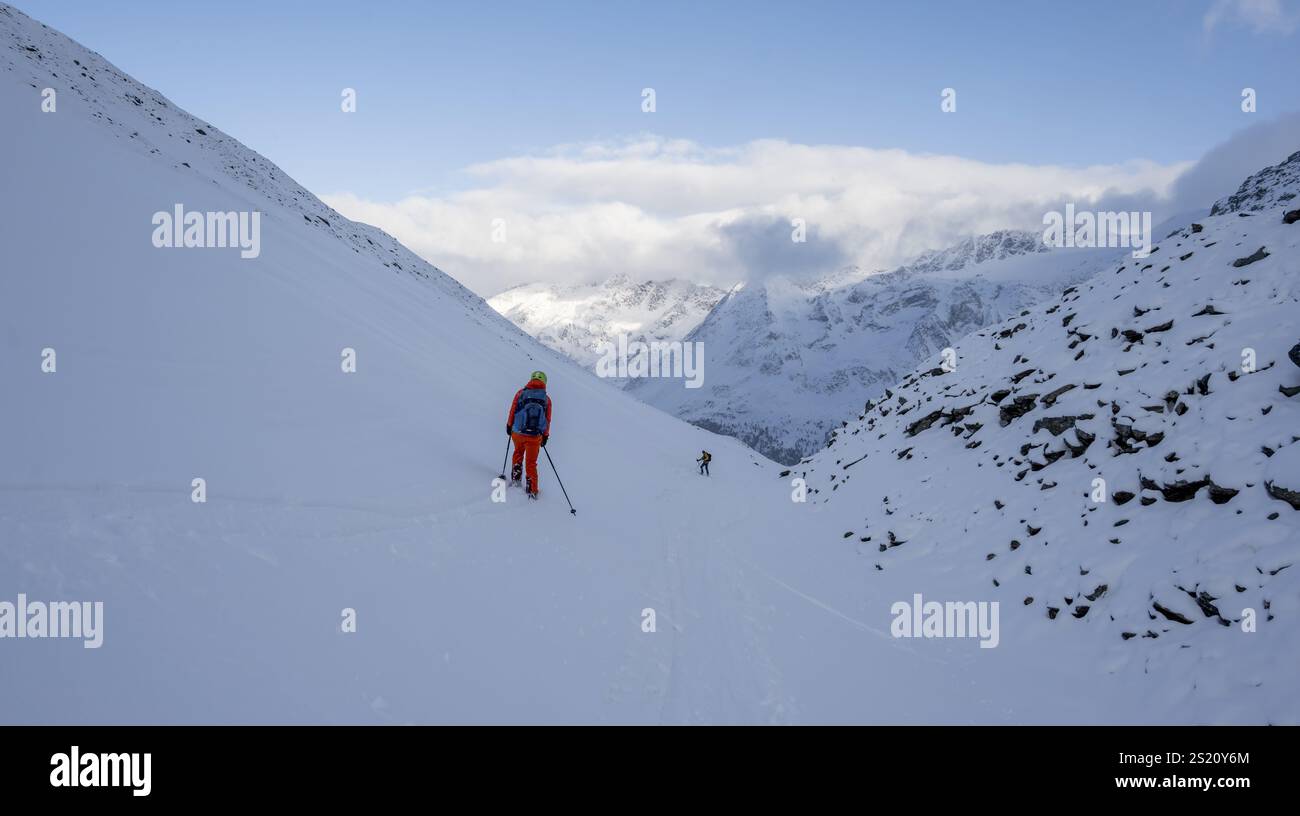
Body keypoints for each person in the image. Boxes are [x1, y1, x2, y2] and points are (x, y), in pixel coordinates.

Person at [506, 370, 552, 497]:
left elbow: (513, 410)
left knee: (518, 453)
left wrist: (509, 426)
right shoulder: (547, 399)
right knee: (531, 463)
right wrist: (545, 436)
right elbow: (547, 420)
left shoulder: (520, 393)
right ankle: (532, 491)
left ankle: (516, 479)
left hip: (518, 433)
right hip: (534, 437)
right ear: (544, 382)